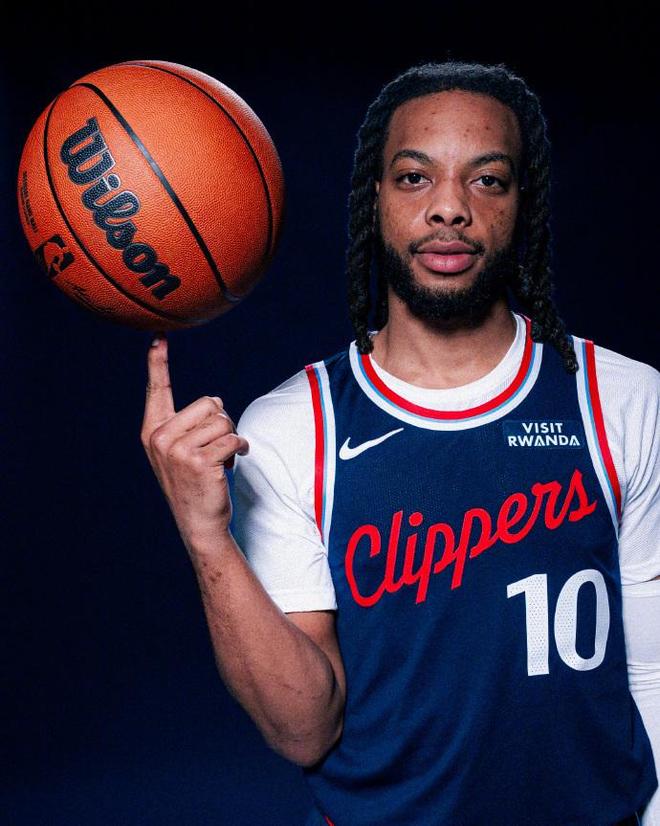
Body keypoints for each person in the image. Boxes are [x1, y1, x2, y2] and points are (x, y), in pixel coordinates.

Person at [141, 60, 660, 825]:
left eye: (488, 180)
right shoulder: (293, 428)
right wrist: (205, 536)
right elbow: (304, 730)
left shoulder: (621, 400)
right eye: (415, 177)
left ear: (524, 203)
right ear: (373, 198)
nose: (450, 207)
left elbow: (650, 674)